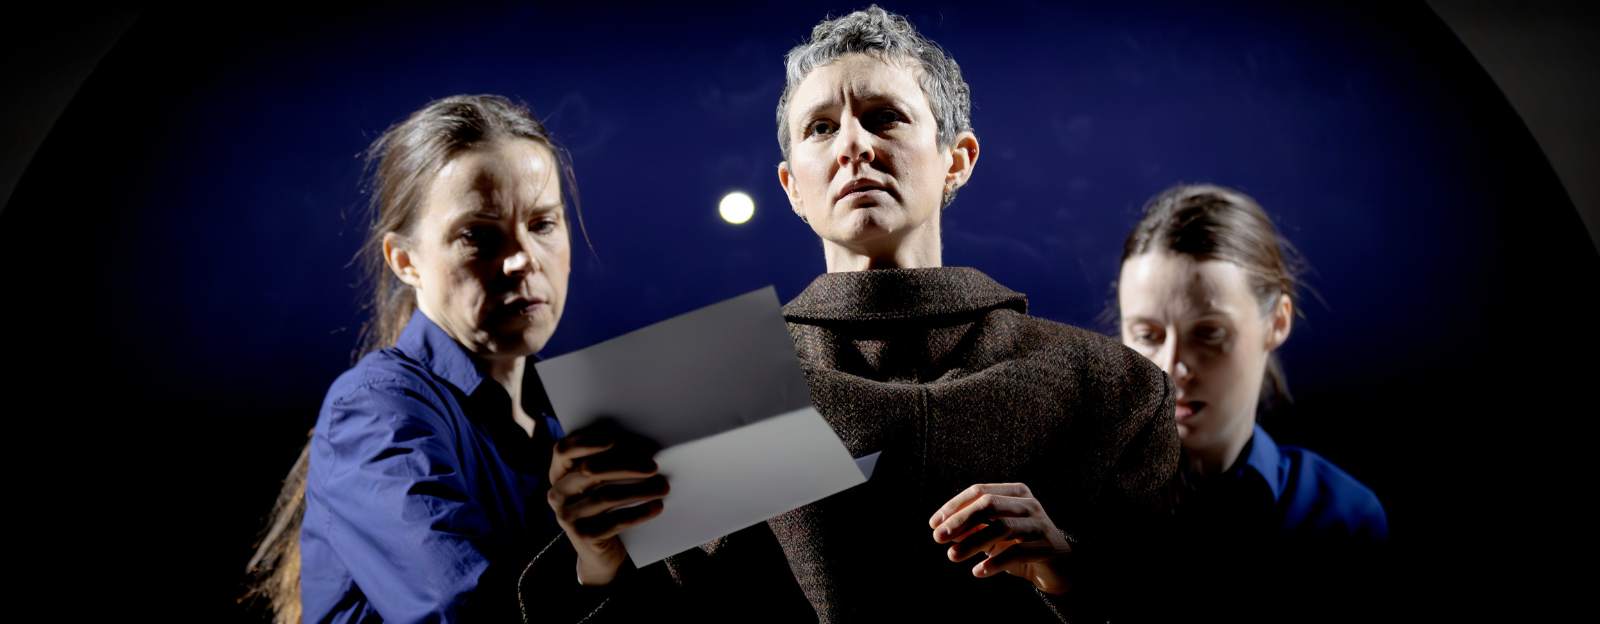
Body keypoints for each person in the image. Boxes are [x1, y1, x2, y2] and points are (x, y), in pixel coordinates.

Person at [520, 7, 1179, 622]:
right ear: (792, 187)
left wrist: (1069, 570)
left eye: (884, 116)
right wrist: (597, 564)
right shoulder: (707, 390)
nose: (853, 145)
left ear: (957, 160)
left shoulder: (1110, 386)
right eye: (821, 127)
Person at [244, 94, 581, 623]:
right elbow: (472, 617)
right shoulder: (374, 410)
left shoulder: (567, 419)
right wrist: (595, 564)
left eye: (542, 224)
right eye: (478, 235)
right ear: (405, 261)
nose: (521, 259)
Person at [1115, 184, 1388, 618]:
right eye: (1147, 335)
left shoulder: (1340, 515)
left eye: (1209, 333)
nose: (1170, 367)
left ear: (1277, 323)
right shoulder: (1077, 507)